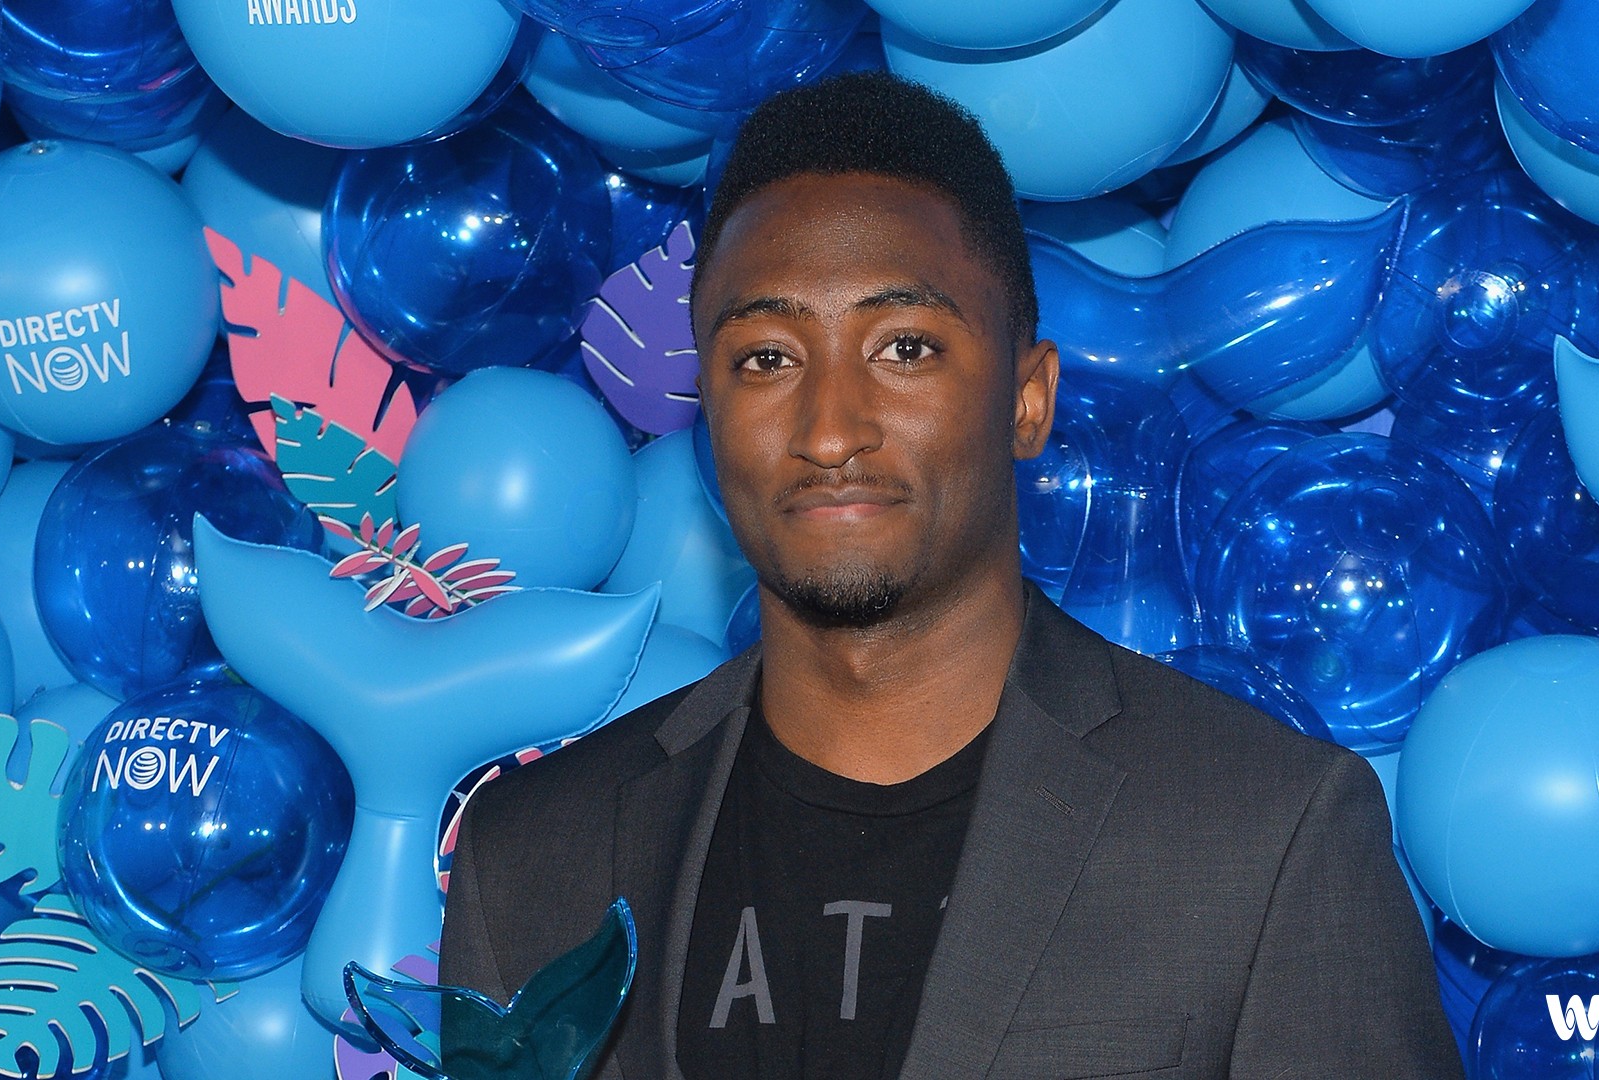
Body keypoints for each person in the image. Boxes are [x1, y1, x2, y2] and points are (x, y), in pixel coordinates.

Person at [440, 70, 1462, 1080]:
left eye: (905, 347)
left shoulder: (1261, 836)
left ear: (1027, 401)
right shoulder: (532, 856)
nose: (831, 429)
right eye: (766, 358)